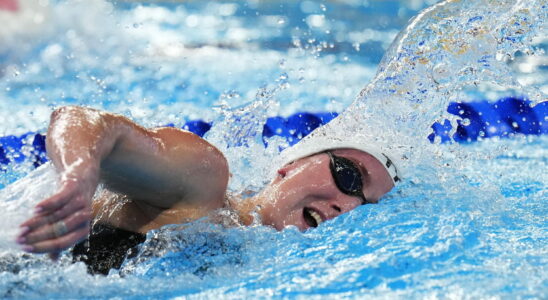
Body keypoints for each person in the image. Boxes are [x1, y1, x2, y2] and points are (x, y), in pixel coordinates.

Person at [14, 106, 399, 274]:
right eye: (349, 177)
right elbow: (83, 121)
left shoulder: (260, 261)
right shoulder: (203, 184)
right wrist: (80, 175)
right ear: (291, 164)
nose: (346, 205)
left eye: (365, 206)